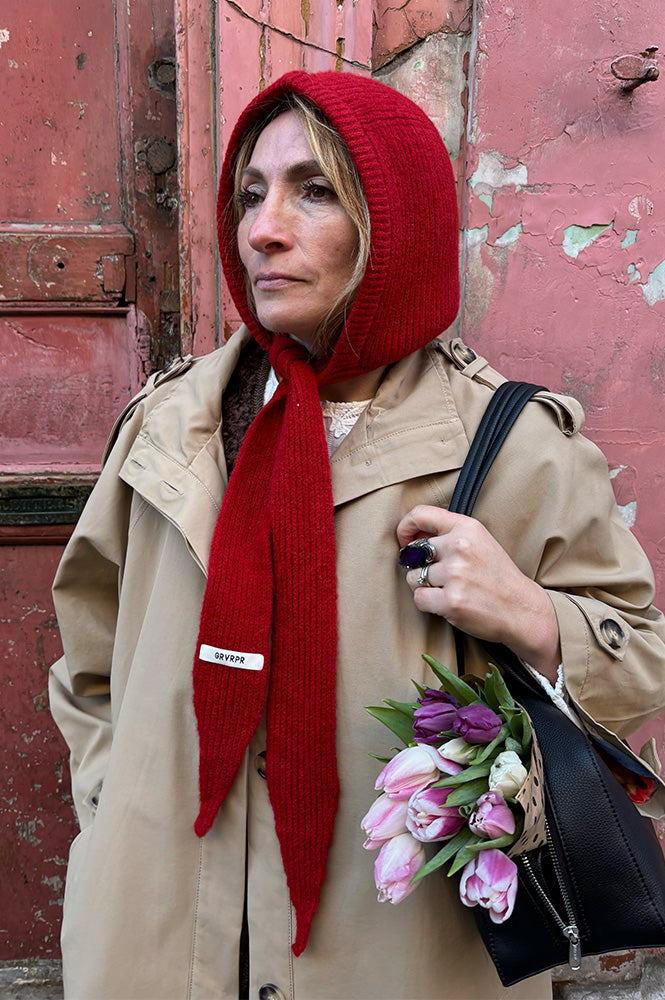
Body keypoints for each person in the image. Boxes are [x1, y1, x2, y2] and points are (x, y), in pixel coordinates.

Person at [49, 71, 665, 1000]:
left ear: (394, 223)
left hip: (402, 952)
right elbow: (90, 658)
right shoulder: (169, 426)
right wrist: (113, 807)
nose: (263, 228)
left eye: (315, 190)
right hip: (160, 935)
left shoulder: (513, 446)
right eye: (251, 194)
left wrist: (532, 615)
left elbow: (640, 667)